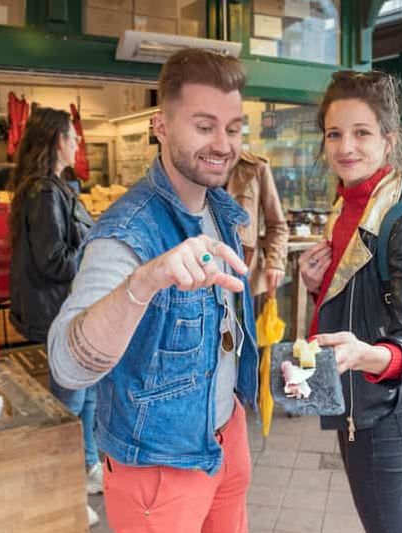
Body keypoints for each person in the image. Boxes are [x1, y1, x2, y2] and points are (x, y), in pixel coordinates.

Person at [48, 48, 258, 533]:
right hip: (160, 466)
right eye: (204, 126)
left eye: (233, 127)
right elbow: (66, 363)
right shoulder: (126, 233)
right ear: (161, 126)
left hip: (228, 435)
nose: (223, 144)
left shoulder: (220, 209)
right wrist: (146, 281)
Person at [299, 70, 402, 533]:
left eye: (361, 133)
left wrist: (363, 353)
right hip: (351, 399)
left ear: (388, 139)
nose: (345, 148)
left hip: (383, 412)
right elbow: (360, 301)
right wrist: (317, 286)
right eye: (334, 134)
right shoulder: (346, 207)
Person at [6, 107, 100, 527]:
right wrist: (95, 244)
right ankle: (63, 492)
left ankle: (90, 466)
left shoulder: (54, 188)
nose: (78, 142)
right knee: (70, 404)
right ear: (58, 141)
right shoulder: (45, 193)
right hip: (57, 312)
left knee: (89, 391)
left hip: (69, 309)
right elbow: (55, 262)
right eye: (73, 136)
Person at [227, 151, 289, 296]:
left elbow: (277, 225)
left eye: (231, 130)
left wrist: (275, 261)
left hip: (244, 273)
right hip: (203, 273)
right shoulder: (196, 166)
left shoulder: (255, 167)